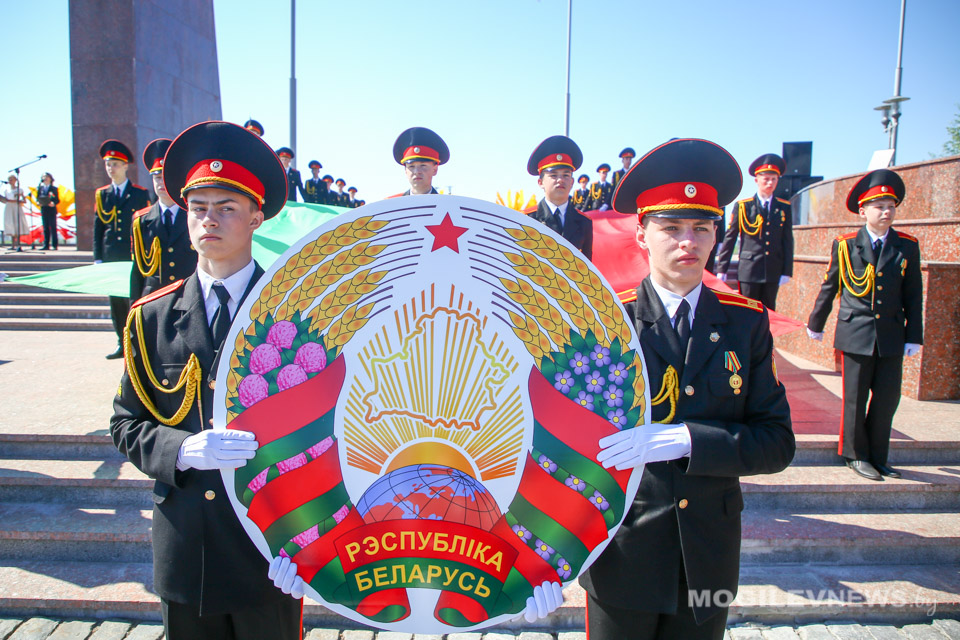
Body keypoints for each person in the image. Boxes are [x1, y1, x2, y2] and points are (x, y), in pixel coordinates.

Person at [580, 138, 794, 640]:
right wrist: (543, 556)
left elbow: (777, 442)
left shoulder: (745, 324)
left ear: (717, 234)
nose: (687, 242)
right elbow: (563, 443)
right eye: (671, 228)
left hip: (707, 559)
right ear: (641, 233)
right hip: (621, 552)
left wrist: (691, 439)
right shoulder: (607, 321)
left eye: (701, 227)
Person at [110, 121, 303, 640]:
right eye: (199, 208)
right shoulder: (151, 317)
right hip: (188, 549)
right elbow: (127, 424)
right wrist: (183, 449)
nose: (208, 220)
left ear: (256, 218)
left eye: (226, 208)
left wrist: (315, 543)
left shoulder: (294, 316)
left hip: (270, 549)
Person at [806, 169, 922, 482]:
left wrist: (915, 336)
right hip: (855, 333)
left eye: (891, 206)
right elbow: (830, 286)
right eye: (879, 206)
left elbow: (913, 295)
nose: (886, 212)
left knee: (887, 399)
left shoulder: (907, 246)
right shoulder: (845, 245)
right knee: (855, 399)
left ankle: (878, 457)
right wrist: (816, 323)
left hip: (891, 336)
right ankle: (855, 455)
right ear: (863, 211)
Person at [714, 153, 794, 310]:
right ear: (757, 180)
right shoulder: (744, 206)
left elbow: (787, 240)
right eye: (766, 179)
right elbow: (730, 239)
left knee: (769, 311)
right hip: (749, 271)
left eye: (774, 179)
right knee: (747, 311)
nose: (770, 182)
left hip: (772, 270)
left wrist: (787, 270)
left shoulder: (784, 207)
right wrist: (722, 268)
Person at [95, 139, 150, 359]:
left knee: (133, 298)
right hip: (111, 255)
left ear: (126, 166)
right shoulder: (103, 194)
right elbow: (99, 227)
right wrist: (98, 257)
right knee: (115, 302)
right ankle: (121, 342)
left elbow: (146, 226)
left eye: (115, 164)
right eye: (108, 164)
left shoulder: (139, 193)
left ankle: (137, 342)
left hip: (132, 254)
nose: (111, 168)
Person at [129, 138, 198, 301]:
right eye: (157, 177)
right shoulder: (141, 221)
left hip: (188, 297)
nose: (162, 183)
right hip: (153, 300)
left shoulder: (195, 215)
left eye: (167, 177)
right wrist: (133, 307)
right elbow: (138, 271)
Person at [526, 135, 593, 260]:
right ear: (540, 182)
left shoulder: (584, 222)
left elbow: (588, 267)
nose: (560, 180)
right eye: (553, 175)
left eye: (566, 175)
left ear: (572, 182)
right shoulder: (528, 218)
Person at [393, 126, 449, 195]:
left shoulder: (446, 204)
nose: (417, 172)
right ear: (405, 171)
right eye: (411, 166)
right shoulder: (393, 204)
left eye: (423, 165)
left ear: (435, 169)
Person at [1, 175, 29, 248]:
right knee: (10, 224)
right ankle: (12, 244)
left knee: (17, 223)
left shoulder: (19, 190)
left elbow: (24, 200)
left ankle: (18, 244)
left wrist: (17, 200)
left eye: (12, 179)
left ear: (15, 180)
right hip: (9, 207)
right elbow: (5, 200)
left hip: (16, 207)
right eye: (9, 179)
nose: (10, 181)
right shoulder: (6, 190)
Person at [37, 173, 61, 250]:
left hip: (51, 210)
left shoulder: (54, 188)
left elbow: (57, 200)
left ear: (50, 179)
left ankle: (54, 245)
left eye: (47, 177)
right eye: (44, 177)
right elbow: (38, 198)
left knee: (53, 227)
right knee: (45, 228)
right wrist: (38, 203)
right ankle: (46, 245)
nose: (45, 178)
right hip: (44, 209)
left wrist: (53, 203)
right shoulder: (40, 188)